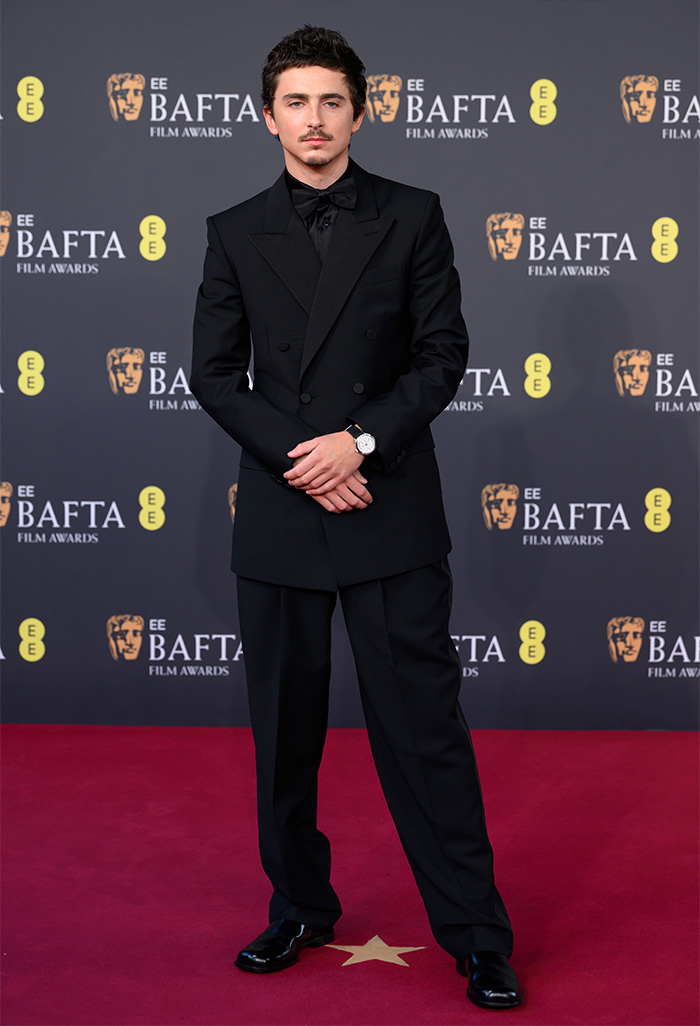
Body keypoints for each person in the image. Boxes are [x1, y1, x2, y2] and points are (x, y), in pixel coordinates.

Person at [191, 25, 522, 1010]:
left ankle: (475, 935)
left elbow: (440, 356)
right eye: (295, 101)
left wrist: (358, 444)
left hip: (387, 507)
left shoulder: (414, 215)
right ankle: (296, 904)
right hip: (287, 511)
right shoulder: (231, 228)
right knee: (284, 731)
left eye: (332, 101)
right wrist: (308, 456)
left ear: (361, 111)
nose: (314, 120)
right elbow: (211, 374)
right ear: (267, 116)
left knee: (424, 733)